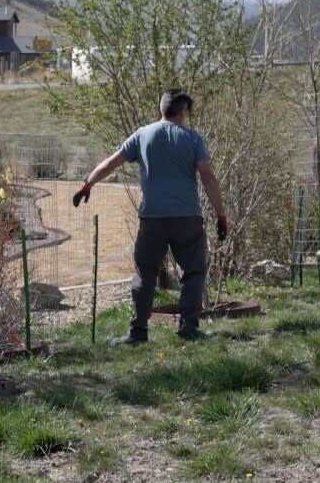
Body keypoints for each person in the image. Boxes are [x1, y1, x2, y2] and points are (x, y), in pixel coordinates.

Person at [72, 89, 226, 344]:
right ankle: (189, 327)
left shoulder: (143, 135)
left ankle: (138, 332)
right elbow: (208, 177)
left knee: (145, 273)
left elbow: (111, 163)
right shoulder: (192, 139)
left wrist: (87, 184)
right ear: (182, 112)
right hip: (186, 217)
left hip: (152, 218)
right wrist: (221, 215)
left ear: (161, 109)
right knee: (193, 272)